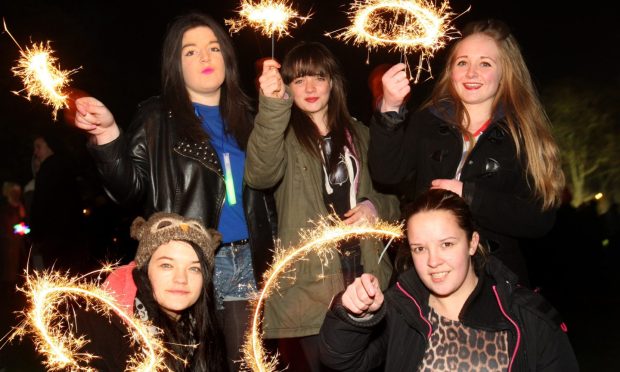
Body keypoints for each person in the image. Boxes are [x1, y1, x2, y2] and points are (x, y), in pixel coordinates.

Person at [72, 11, 276, 370]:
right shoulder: (156, 117)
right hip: (188, 264)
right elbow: (129, 191)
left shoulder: (251, 115)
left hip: (247, 261)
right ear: (175, 64)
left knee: (247, 364)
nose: (205, 57)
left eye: (214, 48)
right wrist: (106, 136)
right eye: (191, 51)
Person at [368, 19, 565, 285]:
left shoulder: (523, 134)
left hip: (492, 283)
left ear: (506, 72)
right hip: (423, 278)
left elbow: (540, 219)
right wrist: (390, 109)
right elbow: (387, 173)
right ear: (451, 71)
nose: (471, 73)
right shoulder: (428, 120)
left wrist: (469, 196)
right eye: (462, 63)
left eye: (485, 63)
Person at [245, 42, 399, 371]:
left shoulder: (361, 133)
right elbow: (259, 175)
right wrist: (272, 107)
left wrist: (375, 207)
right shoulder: (280, 134)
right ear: (286, 86)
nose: (311, 87)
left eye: (319, 76)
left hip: (367, 276)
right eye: (299, 80)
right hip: (311, 289)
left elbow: (395, 199)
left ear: (333, 82)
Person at [319, 189, 579, 371]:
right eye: (420, 248)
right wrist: (353, 314)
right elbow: (339, 359)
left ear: (472, 243)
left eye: (446, 244)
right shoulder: (401, 312)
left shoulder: (528, 318)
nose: (433, 261)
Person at [75, 212, 227, 371]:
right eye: (167, 265)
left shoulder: (204, 334)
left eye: (194, 268)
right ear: (145, 270)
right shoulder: (99, 327)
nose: (181, 279)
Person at [29, 131, 87, 272]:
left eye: (38, 147)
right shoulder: (67, 166)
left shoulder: (48, 169)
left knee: (56, 273)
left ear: (51, 147)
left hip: (53, 237)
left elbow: (40, 205)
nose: (36, 152)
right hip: (72, 235)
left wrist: (36, 234)